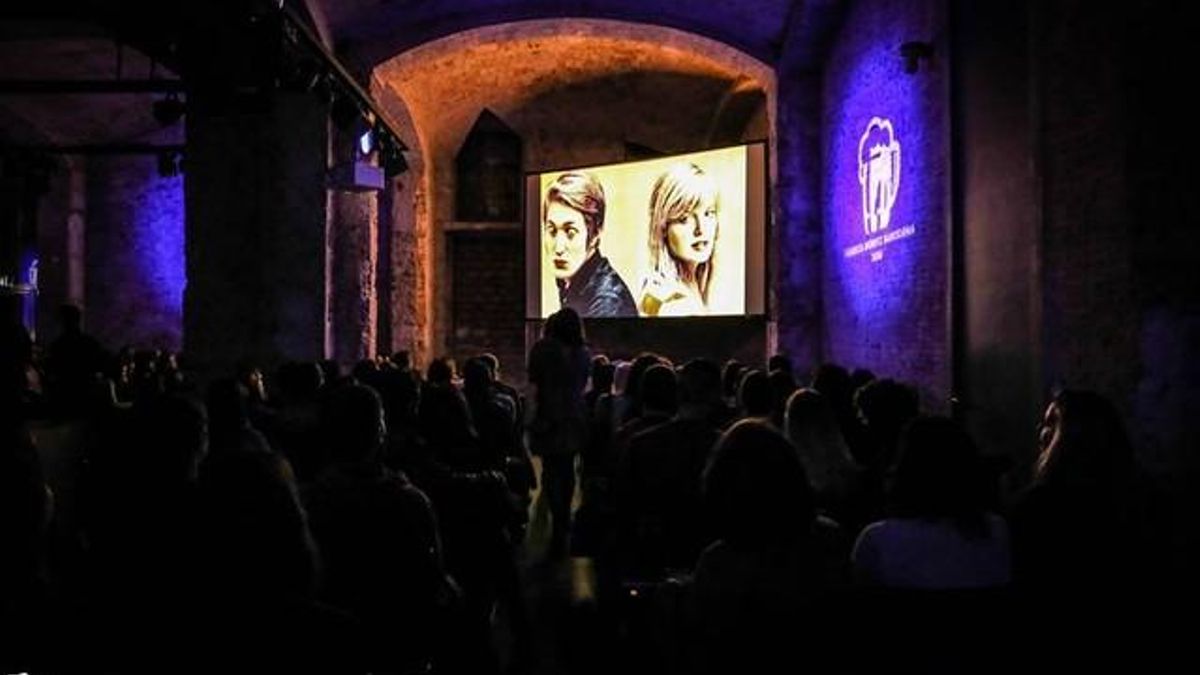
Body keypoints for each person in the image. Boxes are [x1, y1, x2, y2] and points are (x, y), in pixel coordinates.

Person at [527, 308, 592, 558]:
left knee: (552, 469)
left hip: (549, 416)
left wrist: (530, 419)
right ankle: (564, 519)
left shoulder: (542, 349)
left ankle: (558, 522)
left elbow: (534, 385)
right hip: (575, 417)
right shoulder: (583, 353)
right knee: (567, 469)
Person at [542, 172, 637, 318]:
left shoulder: (608, 302)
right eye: (552, 230)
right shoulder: (570, 277)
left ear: (595, 235)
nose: (559, 248)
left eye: (570, 233)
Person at [639, 162, 720, 317]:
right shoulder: (670, 303)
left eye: (708, 213)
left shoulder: (687, 287)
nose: (700, 229)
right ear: (662, 228)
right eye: (684, 219)